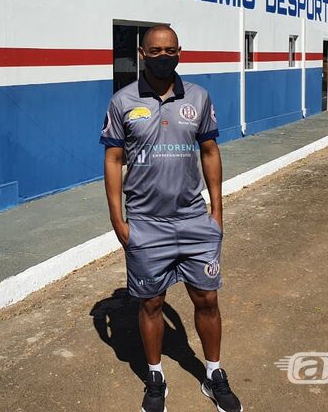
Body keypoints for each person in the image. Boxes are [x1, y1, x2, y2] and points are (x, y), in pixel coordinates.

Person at [100, 25, 243, 412]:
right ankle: (155, 374)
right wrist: (118, 220)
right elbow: (113, 160)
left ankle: (213, 373)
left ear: (180, 51)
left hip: (196, 221)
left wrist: (217, 211)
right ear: (142, 53)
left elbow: (210, 151)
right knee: (150, 304)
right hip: (146, 224)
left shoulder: (198, 97)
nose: (163, 55)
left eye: (170, 49)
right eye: (155, 50)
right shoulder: (123, 101)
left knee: (207, 299)